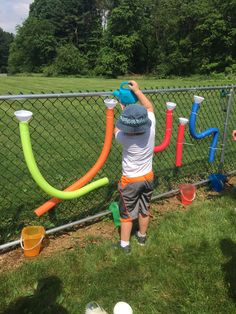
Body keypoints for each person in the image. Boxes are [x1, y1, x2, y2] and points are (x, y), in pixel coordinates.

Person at [114, 80, 156, 253]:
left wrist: (122, 109)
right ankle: (142, 236)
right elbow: (149, 107)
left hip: (129, 181)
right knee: (144, 209)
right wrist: (137, 91)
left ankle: (124, 245)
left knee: (127, 214)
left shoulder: (123, 138)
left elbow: (115, 128)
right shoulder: (151, 127)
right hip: (148, 177)